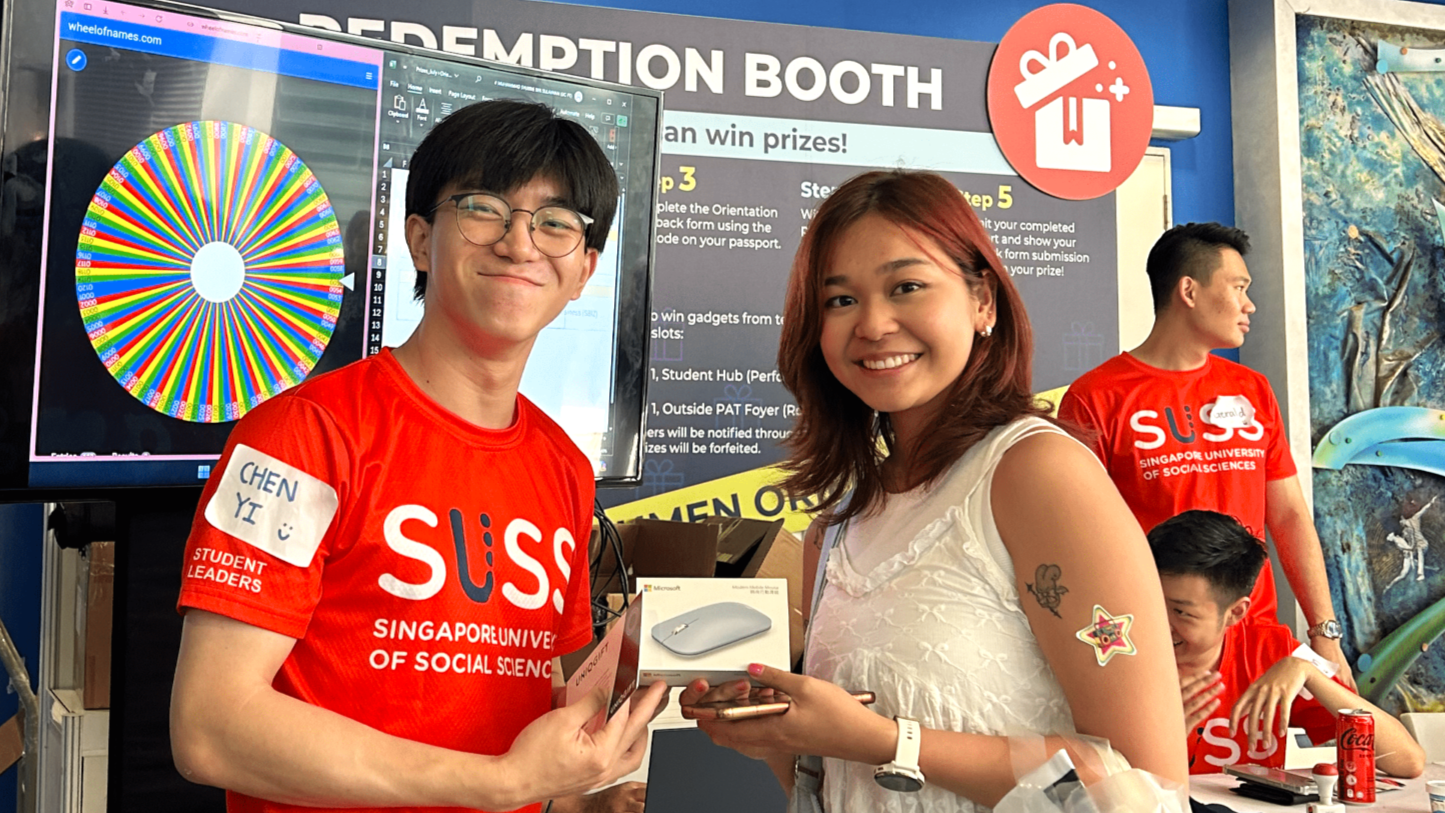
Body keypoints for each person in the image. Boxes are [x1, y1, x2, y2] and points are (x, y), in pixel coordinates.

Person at [169, 100, 667, 813]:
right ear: (420, 238)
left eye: (555, 223)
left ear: (584, 269)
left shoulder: (563, 466)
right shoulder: (299, 438)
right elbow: (210, 728)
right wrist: (500, 784)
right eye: (485, 208)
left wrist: (590, 784)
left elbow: (542, 697)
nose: (520, 243)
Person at [681, 170, 1188, 811]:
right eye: (839, 300)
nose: (872, 323)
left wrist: (895, 744)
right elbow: (845, 788)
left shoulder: (1035, 474)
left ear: (983, 302)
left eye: (907, 287)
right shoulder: (836, 526)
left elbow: (1146, 788)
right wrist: (779, 737)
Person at [1057, 222, 1355, 688]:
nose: (1248, 304)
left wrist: (1324, 633)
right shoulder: (1096, 397)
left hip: (1252, 644)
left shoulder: (1252, 390)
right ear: (1189, 291)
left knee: (1254, 762)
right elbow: (1077, 540)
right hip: (1155, 644)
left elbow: (1290, 516)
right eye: (1238, 287)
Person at [1149, 510, 1423, 777]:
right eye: (1149, 601)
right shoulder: (1119, 651)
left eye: (1181, 612)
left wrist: (1309, 673)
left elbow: (1408, 761)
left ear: (1235, 613)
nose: (1159, 623)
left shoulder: (1271, 651)